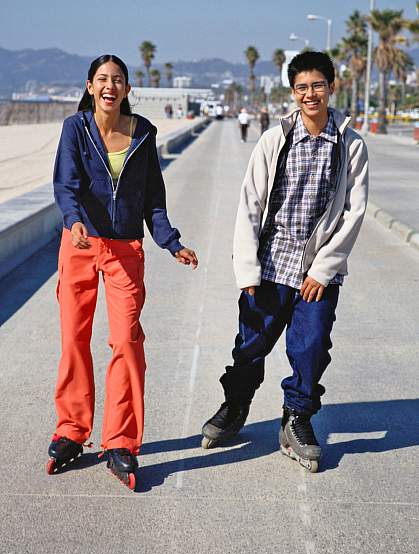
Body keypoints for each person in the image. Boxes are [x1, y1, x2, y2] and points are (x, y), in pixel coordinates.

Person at [201, 51, 368, 473]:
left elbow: (353, 212)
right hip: (272, 265)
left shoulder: (351, 144)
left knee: (311, 349)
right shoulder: (276, 139)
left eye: (317, 85)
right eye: (301, 87)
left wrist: (324, 268)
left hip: (316, 273)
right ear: (293, 92)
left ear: (332, 85)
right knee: (250, 345)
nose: (310, 94)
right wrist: (247, 269)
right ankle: (235, 406)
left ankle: (296, 419)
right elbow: (250, 203)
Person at [47, 54, 198, 489]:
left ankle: (121, 440)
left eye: (118, 80)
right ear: (90, 86)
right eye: (102, 80)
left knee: (127, 341)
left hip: (125, 250)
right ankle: (72, 429)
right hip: (79, 246)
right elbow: (66, 183)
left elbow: (153, 196)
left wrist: (171, 242)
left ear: (128, 89)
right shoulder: (75, 128)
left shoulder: (143, 133)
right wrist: (74, 219)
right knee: (74, 337)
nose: (110, 86)